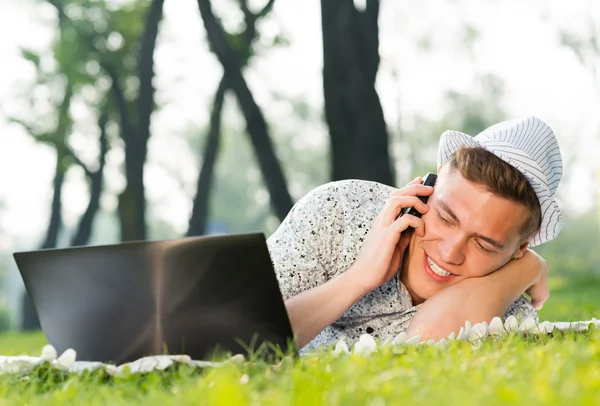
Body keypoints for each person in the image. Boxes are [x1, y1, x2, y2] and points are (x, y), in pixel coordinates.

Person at [266, 116, 563, 352]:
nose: (449, 253)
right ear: (426, 190)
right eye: (446, 218)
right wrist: (358, 277)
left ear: (519, 249)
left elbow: (428, 344)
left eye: (484, 245)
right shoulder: (338, 212)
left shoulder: (506, 307)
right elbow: (234, 339)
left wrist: (529, 268)